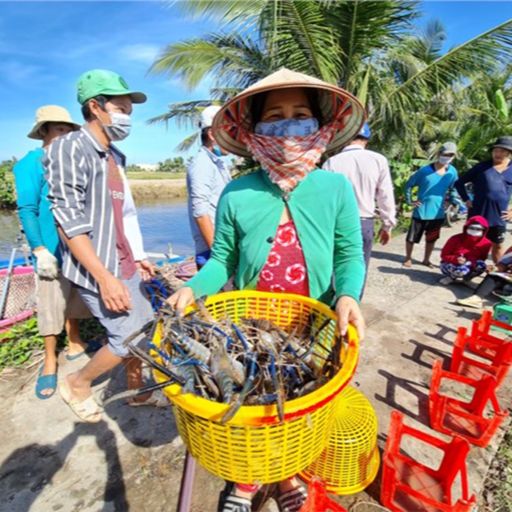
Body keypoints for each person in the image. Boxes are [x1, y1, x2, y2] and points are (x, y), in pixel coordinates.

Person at [167, 68, 366, 512]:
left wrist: (348, 294)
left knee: (298, 407)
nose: (288, 124)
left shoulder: (334, 187)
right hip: (253, 326)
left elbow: (349, 255)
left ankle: (289, 474)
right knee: (251, 401)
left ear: (321, 126)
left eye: (300, 115)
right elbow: (222, 261)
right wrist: (191, 289)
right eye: (274, 116)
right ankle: (247, 479)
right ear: (252, 129)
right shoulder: (237, 192)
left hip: (313, 322)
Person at [45, 69, 165, 423]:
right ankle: (78, 383)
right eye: (121, 107)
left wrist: (139, 255)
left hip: (123, 258)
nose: (127, 116)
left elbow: (125, 213)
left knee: (144, 324)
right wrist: (103, 278)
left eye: (130, 109)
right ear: (95, 107)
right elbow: (68, 220)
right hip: (95, 263)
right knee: (127, 333)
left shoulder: (115, 156)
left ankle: (138, 391)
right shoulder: (69, 148)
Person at [13, 105, 93, 400]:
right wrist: (38, 248)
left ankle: (75, 342)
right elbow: (28, 209)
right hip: (50, 248)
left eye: (68, 130)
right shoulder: (31, 164)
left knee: (75, 296)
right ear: (44, 131)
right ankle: (49, 360)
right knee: (50, 304)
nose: (65, 135)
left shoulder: (69, 162)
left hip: (76, 245)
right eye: (59, 129)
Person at [323, 122, 396, 295]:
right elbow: (385, 194)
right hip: (363, 222)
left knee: (330, 265)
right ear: (366, 140)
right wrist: (387, 225)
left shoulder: (332, 162)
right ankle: (350, 307)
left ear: (344, 138)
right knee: (357, 267)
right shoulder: (378, 160)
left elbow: (325, 199)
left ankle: (326, 308)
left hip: (335, 223)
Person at [454, 136, 512, 264]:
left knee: (498, 246)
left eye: (502, 151)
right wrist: (466, 199)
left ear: (509, 153)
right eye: (496, 150)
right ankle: (465, 270)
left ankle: (497, 275)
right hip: (478, 214)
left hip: (499, 217)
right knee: (471, 243)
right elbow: (459, 183)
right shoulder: (481, 167)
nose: (498, 154)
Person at [187, 105, 231, 269]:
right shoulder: (202, 164)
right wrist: (218, 255)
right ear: (212, 134)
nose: (233, 139)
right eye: (228, 133)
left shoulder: (219, 163)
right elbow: (200, 212)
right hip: (211, 251)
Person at [403, 142, 459, 268]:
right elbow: (409, 185)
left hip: (438, 212)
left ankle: (426, 259)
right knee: (412, 237)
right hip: (421, 210)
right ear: (439, 154)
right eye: (446, 154)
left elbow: (453, 187)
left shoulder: (452, 172)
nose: (448, 157)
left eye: (451, 155)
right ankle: (408, 258)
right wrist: (410, 201)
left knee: (432, 238)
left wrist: (452, 201)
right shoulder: (425, 171)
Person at [439, 216, 491, 285]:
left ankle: (467, 279)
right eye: (472, 228)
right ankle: (451, 277)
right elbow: (444, 255)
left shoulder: (487, 243)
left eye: (478, 229)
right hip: (451, 263)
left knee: (482, 265)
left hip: (470, 263)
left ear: (484, 230)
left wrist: (471, 261)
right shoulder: (455, 238)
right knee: (462, 269)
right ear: (466, 227)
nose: (475, 230)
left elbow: (482, 257)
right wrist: (456, 259)